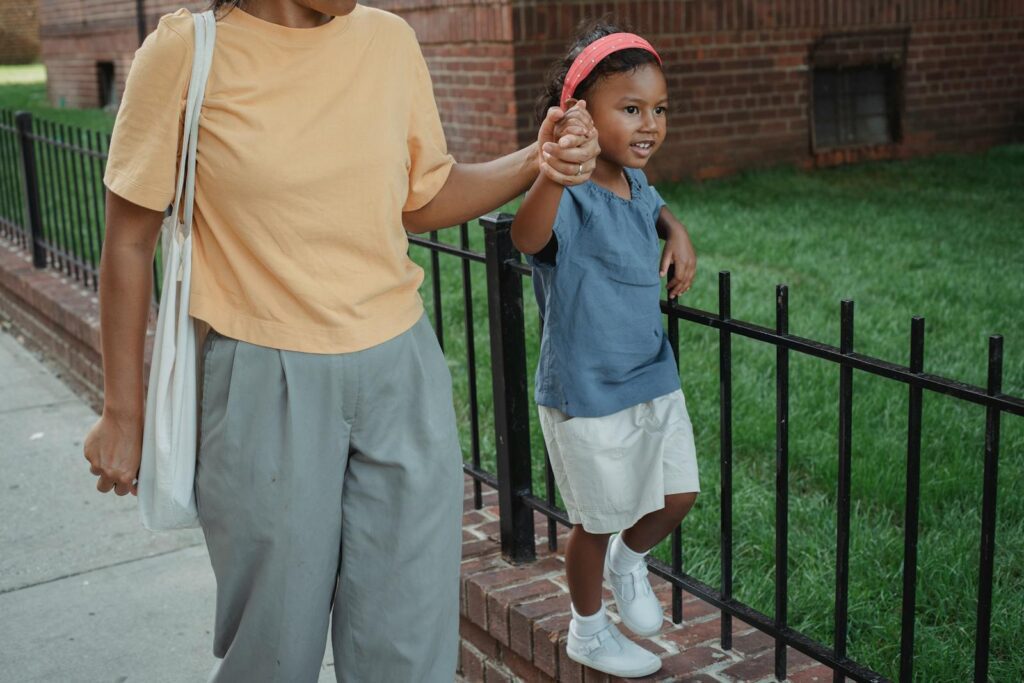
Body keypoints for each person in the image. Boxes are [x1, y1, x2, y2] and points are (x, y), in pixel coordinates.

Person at [81, 1, 600, 681]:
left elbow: (425, 197)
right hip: (264, 381)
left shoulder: (389, 41)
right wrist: (122, 413)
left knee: (410, 651)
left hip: (402, 372)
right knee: (273, 652)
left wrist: (538, 158)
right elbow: (128, 241)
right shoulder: (184, 51)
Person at [510, 22, 701, 678]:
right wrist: (552, 172)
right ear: (581, 116)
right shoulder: (569, 191)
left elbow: (653, 206)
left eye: (659, 109)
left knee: (679, 493)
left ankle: (630, 559)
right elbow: (526, 238)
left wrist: (676, 230)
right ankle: (588, 630)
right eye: (631, 109)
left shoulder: (634, 181)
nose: (650, 124)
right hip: (586, 388)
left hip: (651, 371)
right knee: (596, 519)